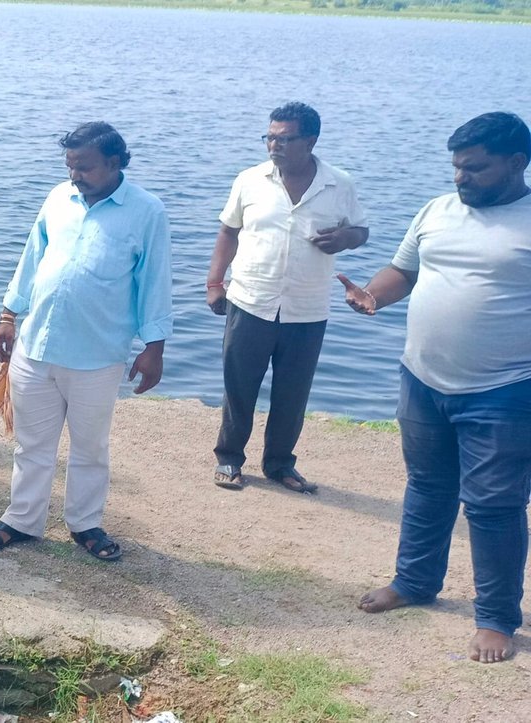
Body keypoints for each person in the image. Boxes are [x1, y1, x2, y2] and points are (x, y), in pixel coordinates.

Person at [342, 112, 531, 664]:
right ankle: (415, 582)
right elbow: (405, 271)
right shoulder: (436, 210)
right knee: (427, 486)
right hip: (423, 379)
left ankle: (496, 619)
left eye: (475, 168)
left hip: (504, 389)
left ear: (517, 163)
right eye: (456, 166)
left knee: (493, 506)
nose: (460, 178)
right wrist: (374, 295)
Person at [0, 122, 172, 563]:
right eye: (69, 166)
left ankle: (85, 523)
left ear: (114, 162)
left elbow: (155, 282)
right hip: (36, 347)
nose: (74, 175)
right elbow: (32, 257)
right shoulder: (58, 198)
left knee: (90, 448)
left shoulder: (147, 212)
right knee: (31, 445)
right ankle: (22, 519)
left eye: (84, 167)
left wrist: (154, 347)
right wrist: (8, 315)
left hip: (97, 356)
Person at [206, 102, 369, 493]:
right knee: (239, 385)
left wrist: (345, 238)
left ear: (310, 141)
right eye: (269, 137)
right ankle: (229, 458)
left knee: (293, 393)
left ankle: (280, 464)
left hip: (307, 308)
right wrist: (215, 283)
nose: (273, 146)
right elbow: (228, 231)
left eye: (284, 139)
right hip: (250, 299)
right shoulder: (250, 180)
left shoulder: (339, 184)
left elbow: (361, 231)